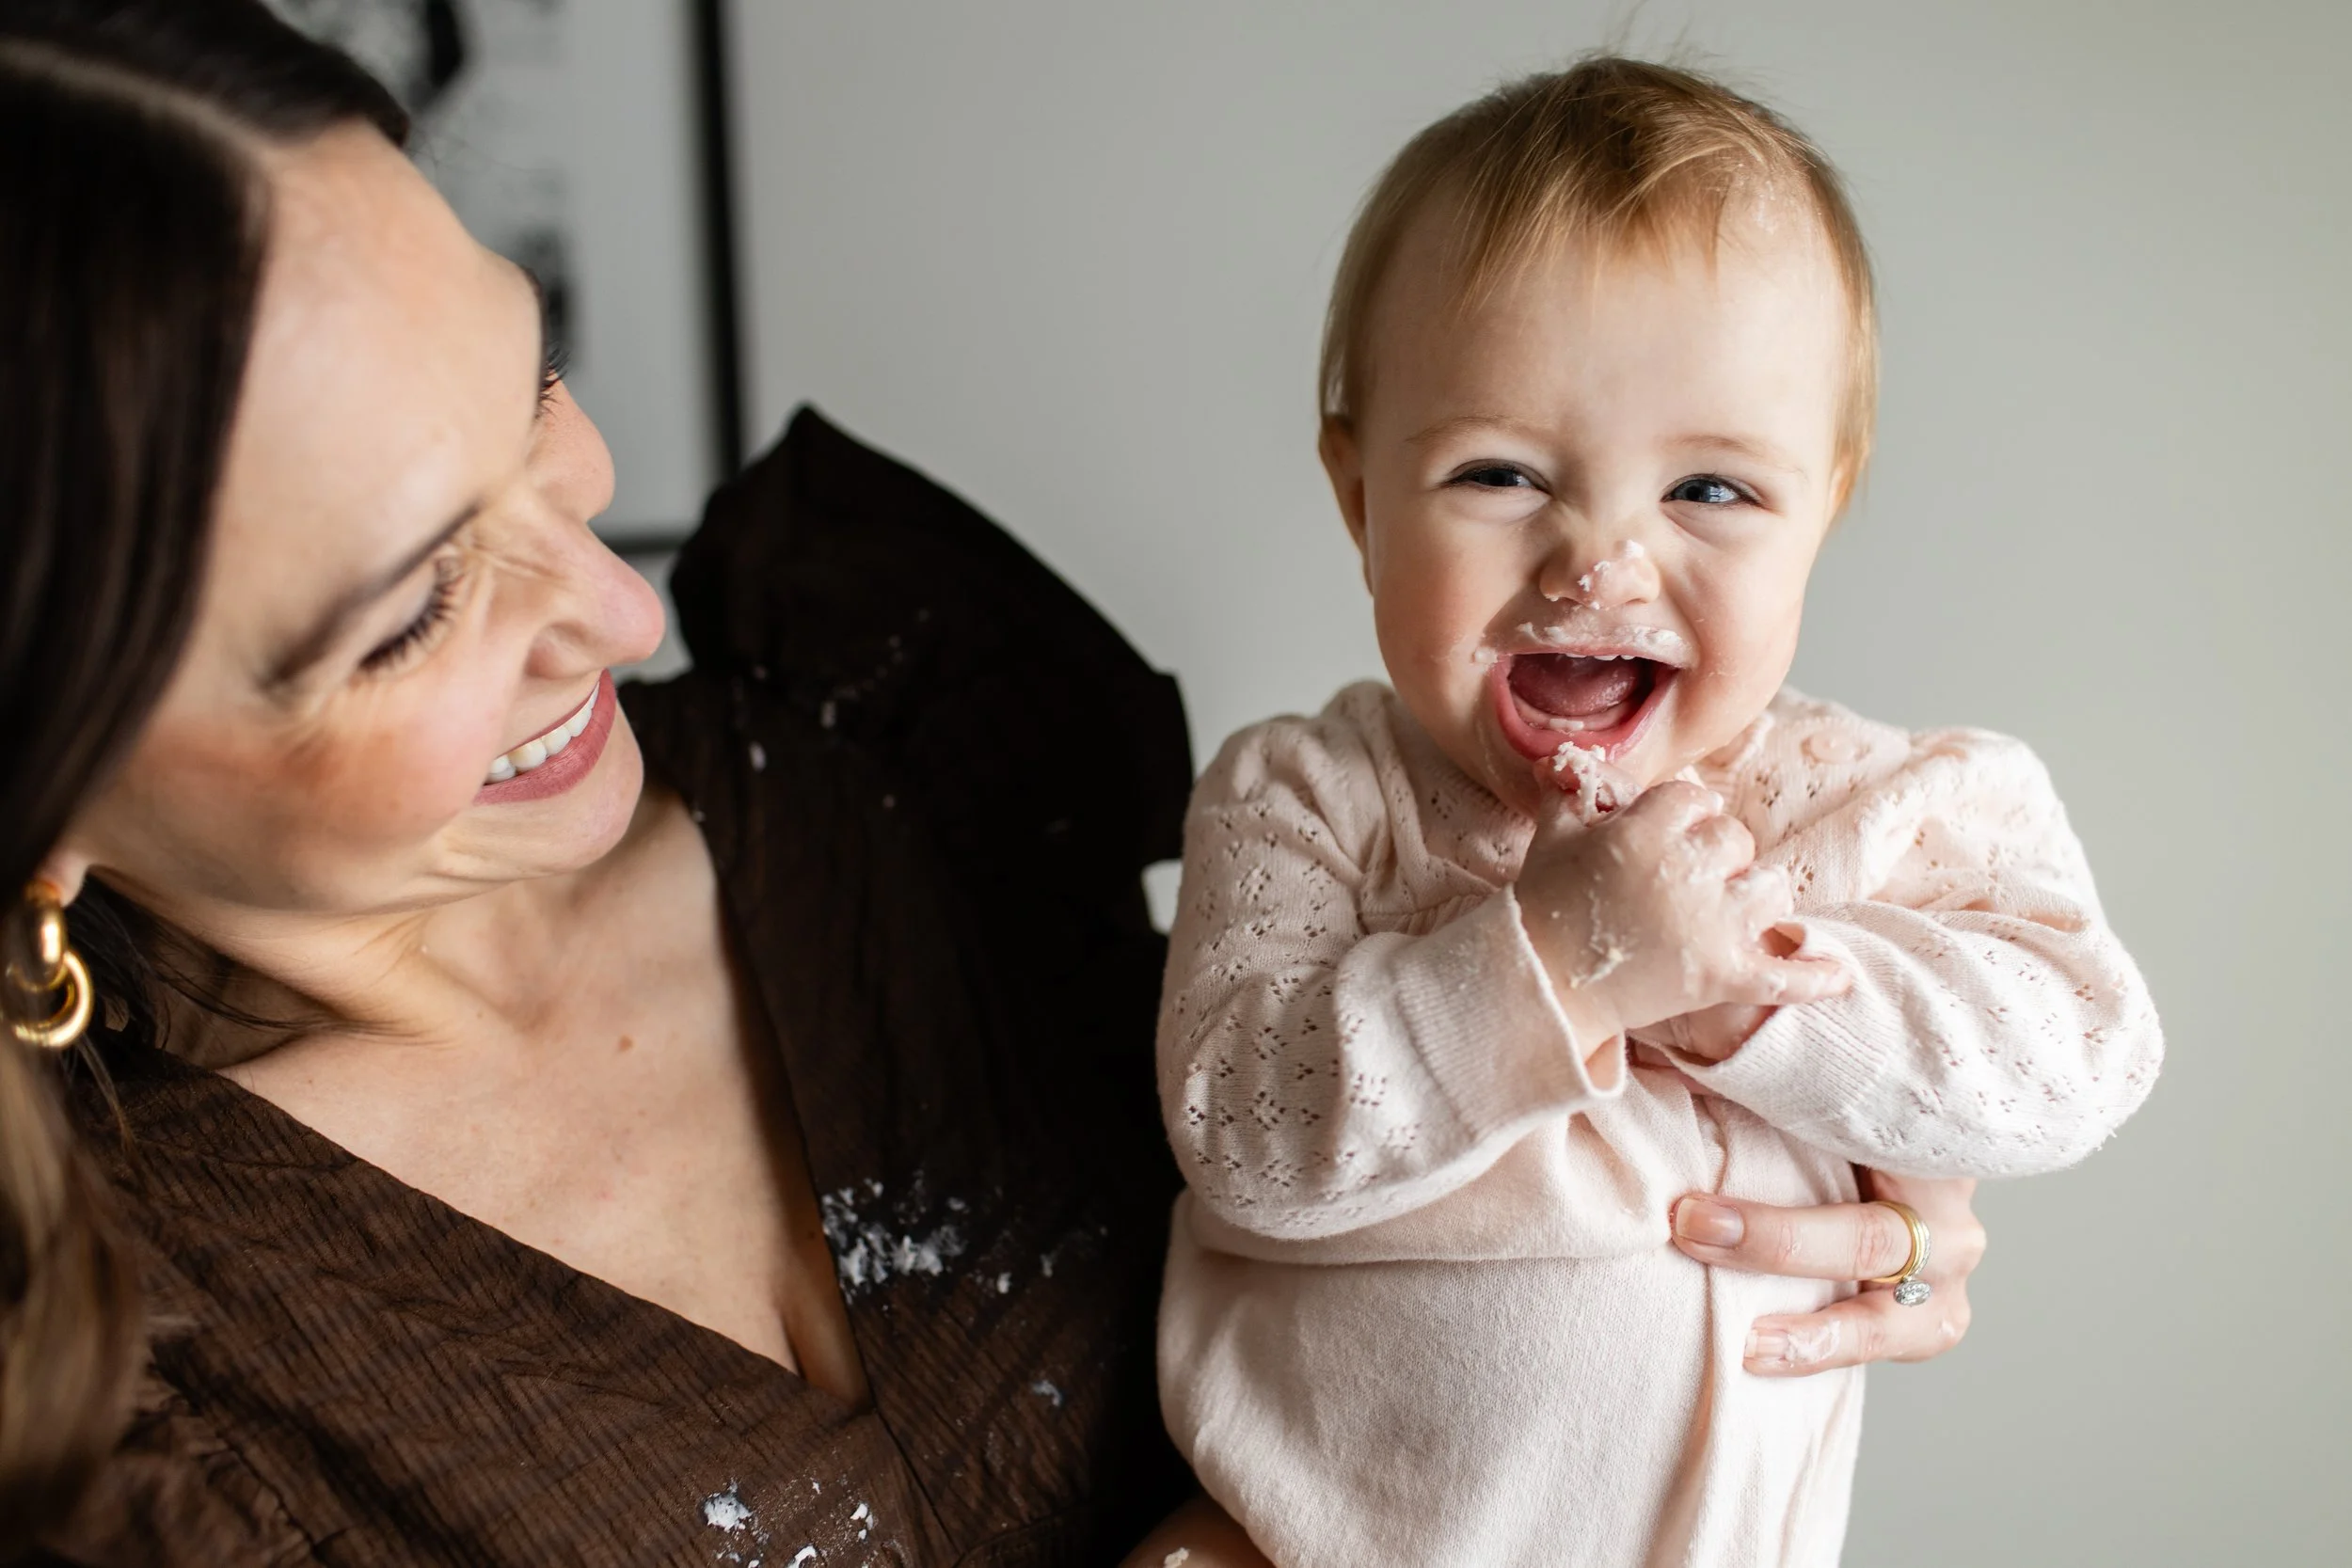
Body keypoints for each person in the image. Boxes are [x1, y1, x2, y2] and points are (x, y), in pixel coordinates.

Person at [0, 8, 1995, 1563]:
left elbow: (1380, 1133)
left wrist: (1838, 1190)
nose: (613, 600)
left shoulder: (896, 762)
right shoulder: (102, 1398)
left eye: (532, 395)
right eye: (410, 609)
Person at [1154, 56, 2164, 1568]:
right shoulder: (1309, 797)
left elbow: (2082, 1048)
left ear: (1827, 497)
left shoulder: (1887, 801)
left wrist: (1743, 990)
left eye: (1711, 491)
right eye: (1498, 473)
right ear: (1360, 498)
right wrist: (1555, 961)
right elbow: (1243, 1129)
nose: (1598, 561)